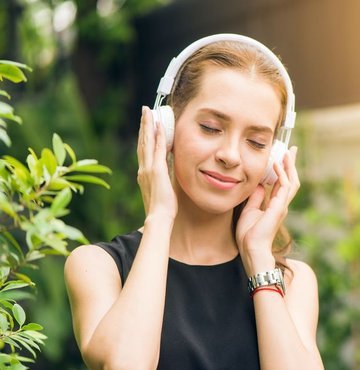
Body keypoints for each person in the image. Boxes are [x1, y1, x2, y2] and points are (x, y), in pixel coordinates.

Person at [64, 34, 324, 370]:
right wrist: (159, 217)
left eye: (257, 142)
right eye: (211, 127)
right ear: (166, 127)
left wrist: (259, 258)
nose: (230, 155)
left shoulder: (292, 281)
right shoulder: (98, 266)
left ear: (274, 158)